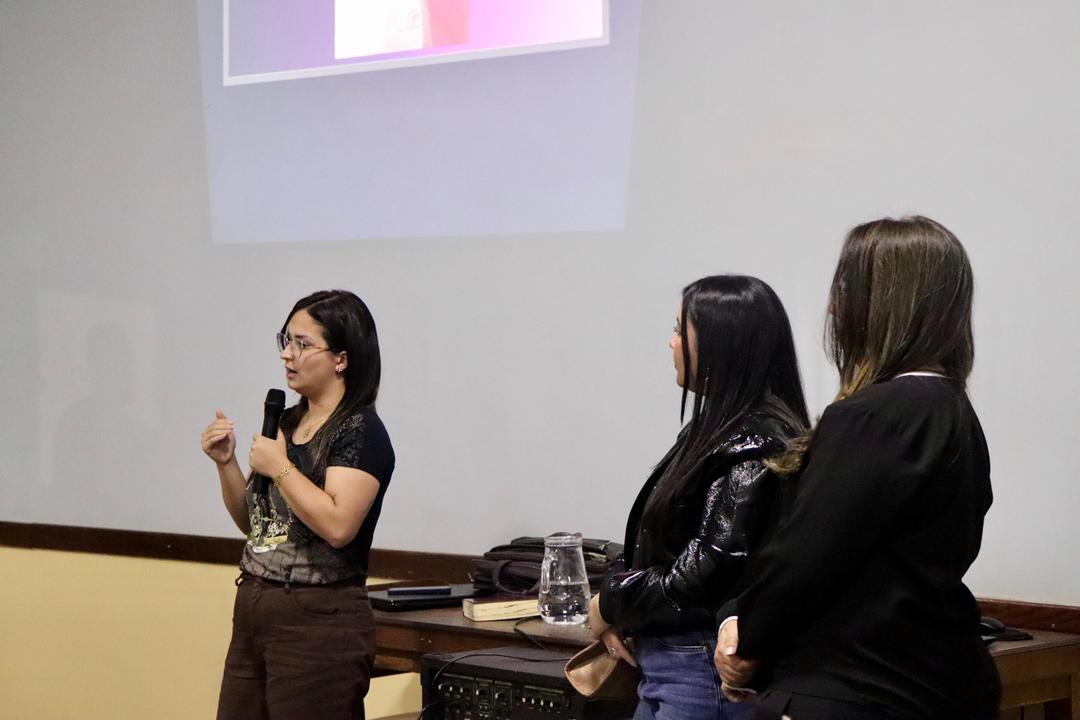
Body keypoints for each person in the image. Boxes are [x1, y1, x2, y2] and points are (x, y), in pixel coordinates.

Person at [713, 216, 1001, 719]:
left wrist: (745, 636)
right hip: (938, 681)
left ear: (879, 304)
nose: (832, 308)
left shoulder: (876, 413)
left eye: (845, 290)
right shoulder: (951, 409)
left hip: (855, 686)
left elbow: (807, 553)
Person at [587, 275, 810, 720]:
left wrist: (610, 603)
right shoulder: (721, 430)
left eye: (678, 330)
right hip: (675, 664)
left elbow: (707, 573)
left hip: (701, 670)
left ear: (720, 343)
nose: (670, 343)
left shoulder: (754, 441)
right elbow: (663, 545)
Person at [200, 289, 394, 720]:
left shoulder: (360, 432)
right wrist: (227, 463)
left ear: (341, 359)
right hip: (254, 608)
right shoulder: (287, 422)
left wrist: (281, 467)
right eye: (285, 340)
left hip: (318, 621)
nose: (287, 354)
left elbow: (339, 526)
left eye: (303, 344)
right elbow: (258, 526)